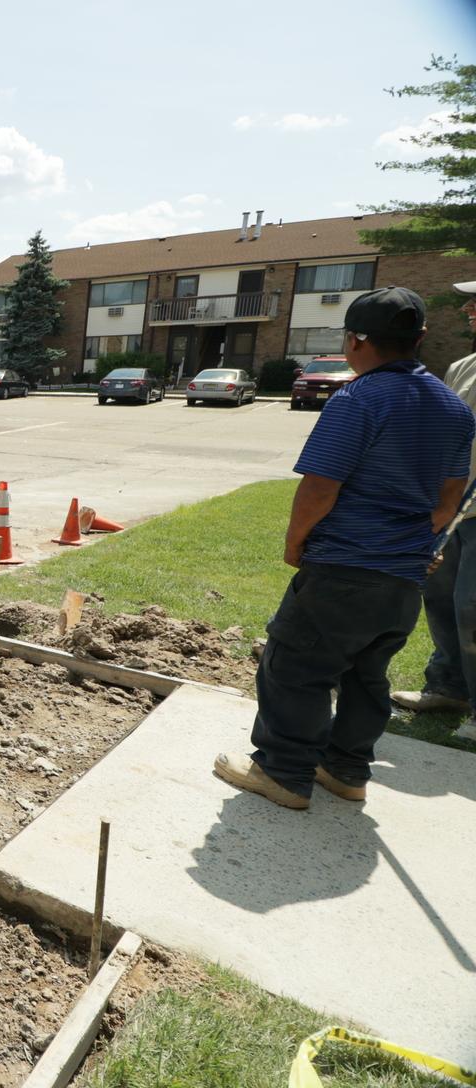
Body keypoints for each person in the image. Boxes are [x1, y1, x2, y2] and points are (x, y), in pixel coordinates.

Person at [215, 287, 475, 809]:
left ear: (355, 341)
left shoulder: (357, 399)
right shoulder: (454, 407)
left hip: (343, 566)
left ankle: (284, 771)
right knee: (366, 673)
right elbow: (451, 498)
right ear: (419, 338)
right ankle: (345, 769)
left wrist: (296, 544)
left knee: (296, 666)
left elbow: (319, 488)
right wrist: (412, 542)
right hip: (405, 574)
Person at [391, 280, 476, 741]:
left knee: (473, 605)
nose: (467, 308)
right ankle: (449, 686)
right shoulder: (464, 366)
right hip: (453, 509)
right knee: (441, 598)